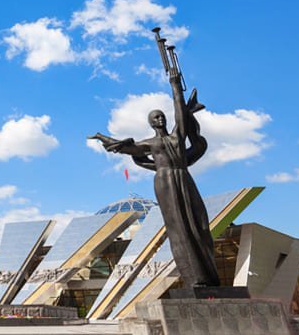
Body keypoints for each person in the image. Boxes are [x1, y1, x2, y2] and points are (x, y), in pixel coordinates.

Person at [90, 76, 220, 289]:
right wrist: (102, 137)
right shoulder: (150, 143)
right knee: (179, 227)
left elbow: (179, 111)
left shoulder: (177, 136)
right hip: (165, 181)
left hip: (183, 177)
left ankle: (211, 275)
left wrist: (175, 85)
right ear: (151, 123)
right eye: (155, 118)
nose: (160, 119)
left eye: (161, 116)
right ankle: (195, 278)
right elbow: (124, 148)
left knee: (200, 224)